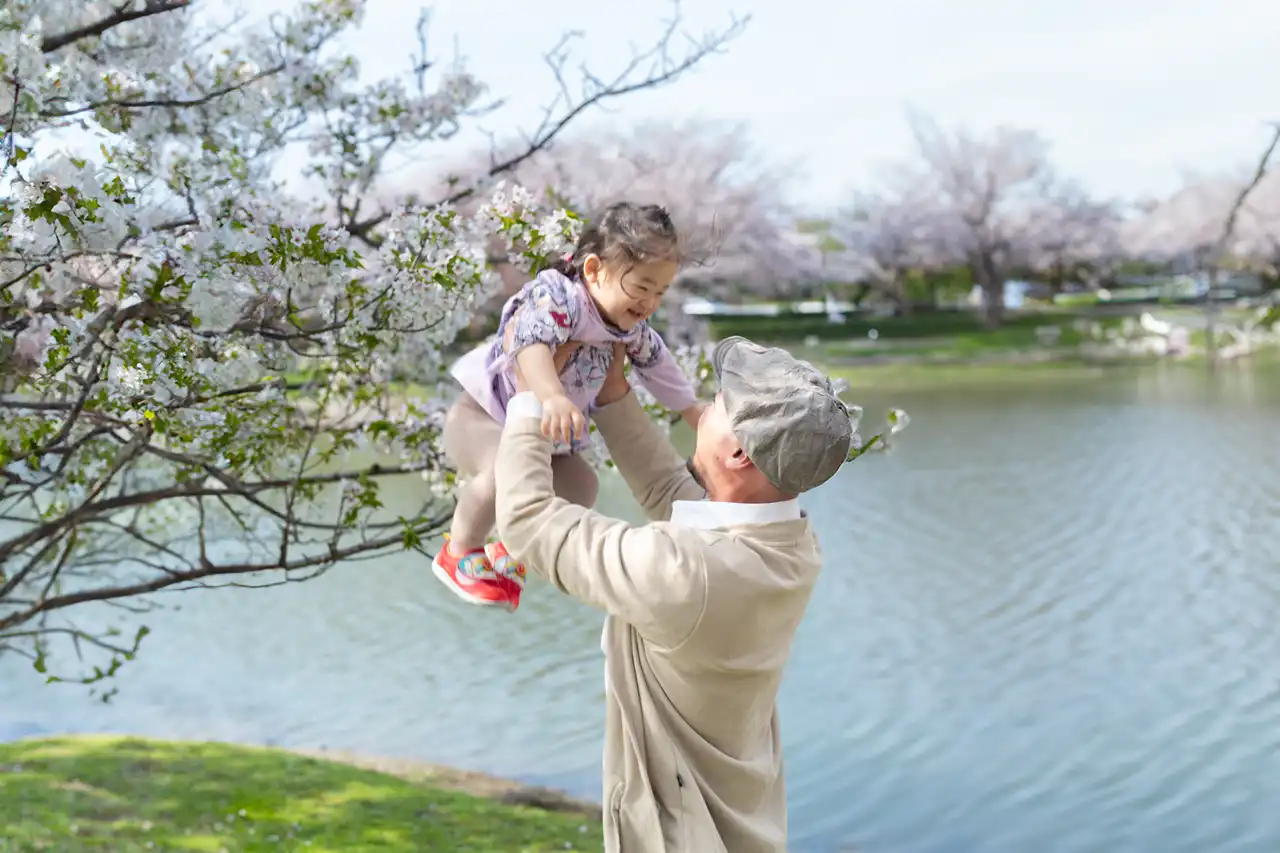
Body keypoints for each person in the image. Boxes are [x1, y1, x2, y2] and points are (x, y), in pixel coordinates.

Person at [493, 334, 854, 852]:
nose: (703, 410)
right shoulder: (790, 544)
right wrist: (614, 393)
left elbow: (528, 521)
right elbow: (673, 495)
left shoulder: (687, 575)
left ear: (736, 452)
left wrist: (530, 395)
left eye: (719, 407)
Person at [434, 202, 705, 611]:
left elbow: (657, 363)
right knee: (499, 473)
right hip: (483, 417)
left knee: (582, 485)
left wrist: (689, 409)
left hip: (547, 439)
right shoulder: (558, 296)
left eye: (660, 292)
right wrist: (553, 396)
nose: (649, 302)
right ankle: (458, 551)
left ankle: (509, 549)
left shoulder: (627, 327)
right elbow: (530, 346)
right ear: (594, 270)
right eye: (641, 287)